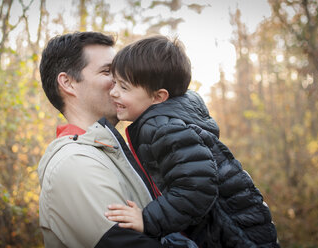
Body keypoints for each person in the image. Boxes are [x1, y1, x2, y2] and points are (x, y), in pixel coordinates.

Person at [105, 35, 280, 247]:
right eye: (114, 82)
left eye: (124, 87)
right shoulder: (164, 122)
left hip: (235, 233)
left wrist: (147, 219)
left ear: (158, 97)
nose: (113, 92)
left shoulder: (165, 129)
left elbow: (196, 188)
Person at [38, 31, 172, 247]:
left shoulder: (110, 152)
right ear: (68, 83)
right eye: (108, 71)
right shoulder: (74, 162)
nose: (123, 80)